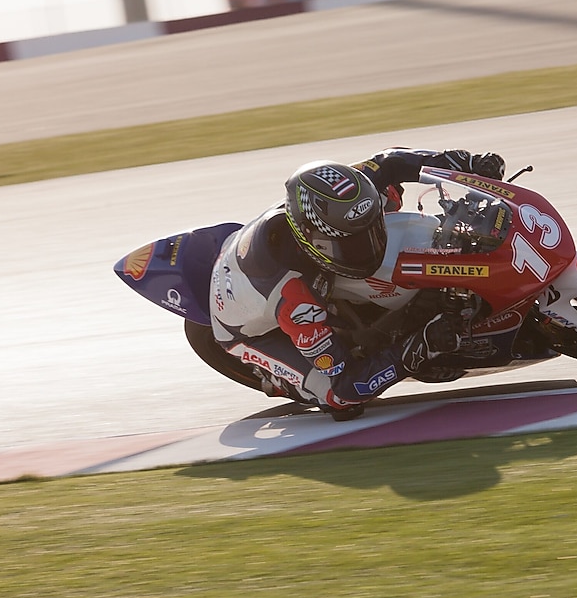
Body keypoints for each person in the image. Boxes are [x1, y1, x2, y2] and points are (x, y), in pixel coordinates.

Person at [209, 148, 506, 421]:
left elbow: (390, 161)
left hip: (258, 253)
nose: (369, 248)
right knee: (339, 399)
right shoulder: (297, 299)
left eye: (372, 233)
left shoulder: (342, 196)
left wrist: (468, 165)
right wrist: (422, 344)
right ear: (314, 242)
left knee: (387, 195)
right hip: (244, 331)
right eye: (351, 246)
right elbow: (346, 384)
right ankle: (283, 381)